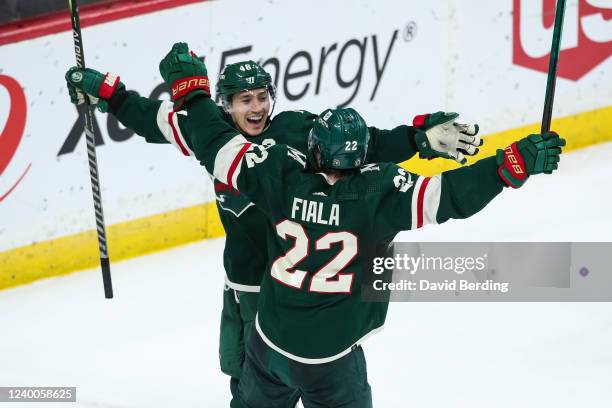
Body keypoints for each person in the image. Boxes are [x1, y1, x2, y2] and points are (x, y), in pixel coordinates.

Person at [65, 44, 487, 401]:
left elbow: (367, 145)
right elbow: (150, 117)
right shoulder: (203, 129)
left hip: (289, 292)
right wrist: (106, 92)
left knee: (301, 380)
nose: (257, 107)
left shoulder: (296, 130)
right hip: (245, 284)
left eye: (262, 96)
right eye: (244, 99)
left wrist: (417, 138)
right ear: (224, 105)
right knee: (249, 384)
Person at [152, 45, 563, 407]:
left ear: (312, 149)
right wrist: (510, 165)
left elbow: (216, 144)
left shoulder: (279, 175)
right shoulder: (379, 196)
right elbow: (451, 196)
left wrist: (191, 91)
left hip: (270, 345)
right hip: (330, 360)